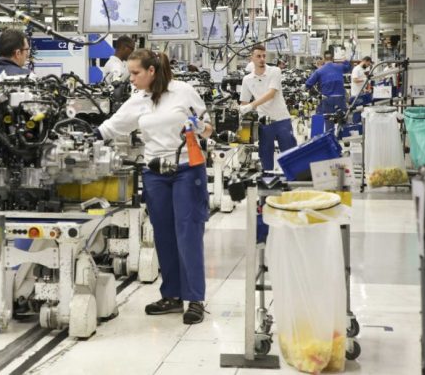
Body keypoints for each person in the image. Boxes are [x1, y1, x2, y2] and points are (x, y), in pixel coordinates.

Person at [96, 49, 213, 325]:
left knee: (188, 233)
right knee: (163, 235)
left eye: (135, 73)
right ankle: (172, 295)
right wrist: (84, 134)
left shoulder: (183, 92)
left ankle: (195, 299)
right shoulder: (138, 99)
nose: (131, 78)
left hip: (186, 169)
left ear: (151, 71)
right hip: (155, 173)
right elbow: (113, 126)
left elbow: (209, 127)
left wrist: (198, 126)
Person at [239, 44, 297, 171]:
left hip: (282, 119)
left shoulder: (275, 71)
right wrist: (243, 113)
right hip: (264, 123)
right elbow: (244, 103)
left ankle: (292, 178)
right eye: (258, 56)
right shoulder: (247, 79)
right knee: (265, 156)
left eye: (264, 56)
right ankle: (267, 178)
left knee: (290, 155)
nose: (262, 59)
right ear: (251, 58)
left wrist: (251, 105)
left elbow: (271, 94)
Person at [305, 51, 352, 119]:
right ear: (333, 58)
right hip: (340, 98)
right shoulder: (340, 67)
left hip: (327, 98)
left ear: (324, 59)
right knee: (342, 119)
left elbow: (308, 84)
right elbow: (348, 67)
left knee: (329, 119)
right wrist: (345, 60)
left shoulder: (319, 71)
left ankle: (330, 125)